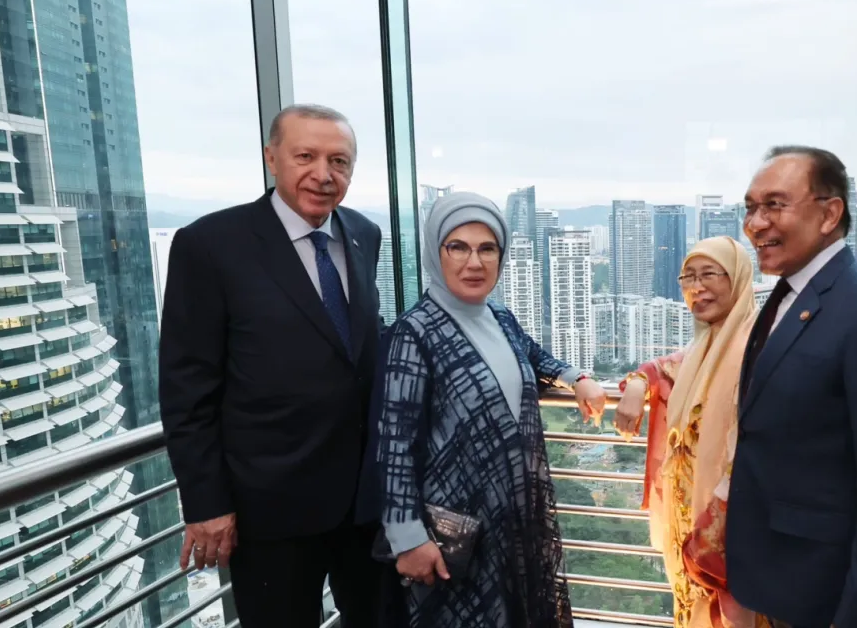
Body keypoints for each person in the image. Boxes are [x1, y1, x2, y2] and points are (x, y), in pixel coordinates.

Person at [158, 104, 388, 627]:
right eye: (305, 156)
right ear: (271, 158)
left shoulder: (364, 234)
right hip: (268, 513)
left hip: (364, 505)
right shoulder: (210, 245)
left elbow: (362, 349)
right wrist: (206, 503)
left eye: (339, 161)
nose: (323, 174)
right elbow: (185, 389)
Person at [370, 192, 605, 628]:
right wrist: (406, 537)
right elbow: (394, 444)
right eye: (457, 247)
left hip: (513, 520)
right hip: (453, 536)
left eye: (487, 248)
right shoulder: (415, 332)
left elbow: (531, 355)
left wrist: (577, 378)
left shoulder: (498, 316)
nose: (474, 262)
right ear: (435, 252)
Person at [727, 146, 857, 628]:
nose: (755, 224)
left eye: (774, 205)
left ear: (829, 214)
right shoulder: (788, 292)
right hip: (779, 578)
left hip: (825, 594)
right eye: (750, 208)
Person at [614, 236, 765, 628]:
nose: (697, 288)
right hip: (689, 525)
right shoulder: (706, 346)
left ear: (738, 278)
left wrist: (715, 527)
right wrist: (638, 382)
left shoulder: (761, 350)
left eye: (709, 275)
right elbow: (668, 368)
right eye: (688, 278)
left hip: (729, 528)